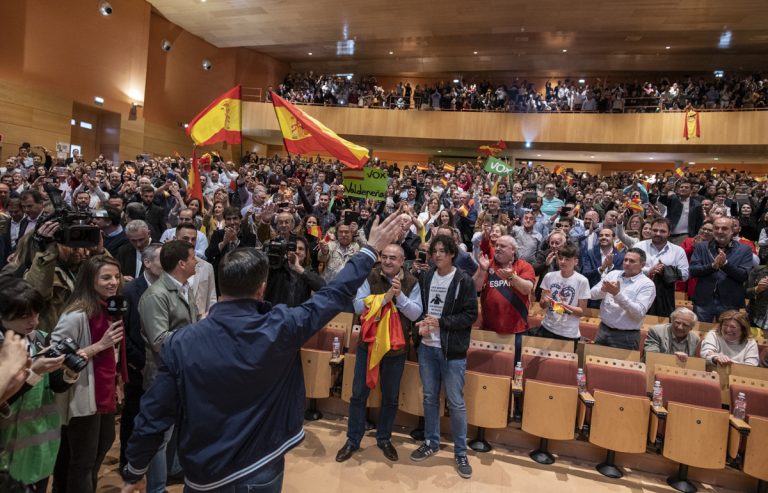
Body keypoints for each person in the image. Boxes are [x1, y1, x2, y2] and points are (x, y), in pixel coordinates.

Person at [119, 212, 406, 492]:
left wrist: (135, 469)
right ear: (262, 288)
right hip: (263, 464)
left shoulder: (181, 342)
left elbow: (153, 415)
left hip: (206, 472)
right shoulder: (282, 326)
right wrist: (369, 250)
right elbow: (333, 295)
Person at [336, 244, 422, 463]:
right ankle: (353, 440)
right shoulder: (369, 276)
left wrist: (399, 296)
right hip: (368, 346)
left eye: (393, 258)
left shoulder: (412, 282)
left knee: (390, 398)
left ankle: (384, 438)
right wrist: (384, 298)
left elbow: (415, 314)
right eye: (384, 257)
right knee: (358, 394)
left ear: (403, 261)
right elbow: (356, 306)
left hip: (396, 349)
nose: (387, 261)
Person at [51, 255, 126, 493]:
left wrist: (118, 381)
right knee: (82, 463)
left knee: (96, 457)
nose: (113, 282)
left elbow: (114, 353)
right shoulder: (76, 314)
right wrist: (98, 346)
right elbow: (56, 357)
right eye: (105, 277)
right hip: (82, 396)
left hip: (104, 394)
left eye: (116, 277)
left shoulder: (110, 308)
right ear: (89, 280)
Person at [0, 276, 79, 492]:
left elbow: (53, 386)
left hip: (40, 443)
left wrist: (69, 374)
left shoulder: (40, 338)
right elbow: (4, 399)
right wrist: (34, 371)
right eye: (25, 316)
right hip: (7, 447)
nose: (33, 322)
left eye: (36, 314)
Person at [411, 234, 478, 479]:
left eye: (442, 251)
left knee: (456, 402)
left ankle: (461, 452)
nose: (437, 255)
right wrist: (422, 326)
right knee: (430, 398)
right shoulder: (426, 276)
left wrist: (441, 323)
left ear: (451, 254)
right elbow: (422, 309)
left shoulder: (463, 280)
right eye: (434, 251)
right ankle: (431, 442)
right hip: (427, 347)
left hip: (452, 351)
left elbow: (470, 315)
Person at [137, 240, 198, 493]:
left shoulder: (183, 288)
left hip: (182, 371)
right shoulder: (156, 295)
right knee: (160, 437)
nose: (197, 261)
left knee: (177, 430)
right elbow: (160, 341)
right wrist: (198, 335)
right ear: (182, 263)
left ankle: (173, 474)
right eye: (194, 258)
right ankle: (157, 488)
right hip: (161, 375)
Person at [119, 243, 163, 469]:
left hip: (161, 365)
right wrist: (137, 361)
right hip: (137, 365)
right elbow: (122, 332)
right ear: (147, 263)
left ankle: (148, 464)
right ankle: (127, 462)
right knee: (132, 414)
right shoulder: (129, 291)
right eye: (161, 259)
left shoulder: (168, 288)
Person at [474, 235, 535, 359]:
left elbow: (527, 289)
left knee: (513, 371)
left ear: (513, 250)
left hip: (517, 332)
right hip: (489, 330)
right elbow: (475, 288)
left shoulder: (524, 266)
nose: (497, 248)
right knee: (491, 371)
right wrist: (482, 270)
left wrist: (511, 277)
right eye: (496, 245)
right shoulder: (487, 264)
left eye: (502, 246)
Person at [589, 248, 656, 350]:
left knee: (619, 366)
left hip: (626, 337)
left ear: (642, 265)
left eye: (632, 261)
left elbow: (638, 312)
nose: (627, 263)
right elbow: (592, 295)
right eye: (625, 260)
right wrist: (603, 290)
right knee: (596, 363)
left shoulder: (647, 284)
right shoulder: (613, 274)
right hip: (603, 329)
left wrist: (617, 294)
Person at [689, 217, 753, 322]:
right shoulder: (702, 247)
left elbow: (743, 275)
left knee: (727, 335)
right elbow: (693, 270)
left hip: (730, 302)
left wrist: (725, 264)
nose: (719, 231)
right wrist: (712, 266)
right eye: (716, 228)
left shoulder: (744, 250)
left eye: (724, 228)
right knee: (700, 332)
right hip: (704, 301)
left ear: (732, 231)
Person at [633, 218, 689, 317]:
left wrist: (665, 270)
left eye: (662, 231)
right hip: (638, 293)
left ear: (669, 233)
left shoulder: (678, 251)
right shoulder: (639, 246)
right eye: (654, 230)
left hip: (665, 297)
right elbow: (629, 268)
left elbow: (685, 274)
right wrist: (649, 270)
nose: (658, 233)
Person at [536, 244, 590, 342]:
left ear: (576, 261)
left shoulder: (582, 281)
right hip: (546, 328)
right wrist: (545, 302)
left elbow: (582, 312)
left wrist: (565, 306)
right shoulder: (549, 276)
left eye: (567, 259)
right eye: (560, 258)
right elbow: (542, 305)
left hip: (569, 333)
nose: (562, 262)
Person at [174, 224, 217, 318]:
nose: (190, 242)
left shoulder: (207, 267)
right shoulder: (167, 265)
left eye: (193, 239)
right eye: (185, 238)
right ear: (175, 239)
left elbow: (212, 299)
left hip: (201, 324)